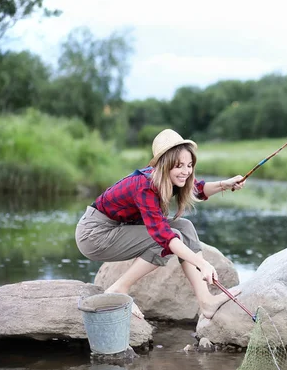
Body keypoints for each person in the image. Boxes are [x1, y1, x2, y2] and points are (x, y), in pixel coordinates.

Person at [75, 128, 245, 320]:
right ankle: (120, 287)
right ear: (165, 164)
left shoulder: (169, 178)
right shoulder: (145, 186)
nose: (186, 172)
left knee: (185, 227)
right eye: (180, 166)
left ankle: (206, 300)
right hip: (94, 235)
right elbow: (163, 236)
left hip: (117, 227)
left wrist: (226, 184)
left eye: (189, 165)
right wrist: (202, 263)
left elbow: (197, 188)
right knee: (169, 238)